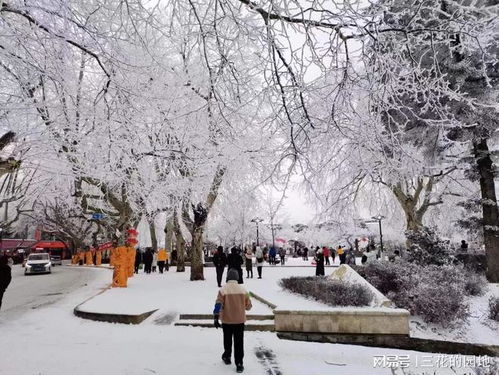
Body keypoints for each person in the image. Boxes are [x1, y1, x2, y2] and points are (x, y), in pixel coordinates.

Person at [213, 268, 252, 373]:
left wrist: (216, 317)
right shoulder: (243, 290)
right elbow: (249, 306)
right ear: (237, 278)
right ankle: (239, 363)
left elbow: (218, 304)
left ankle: (227, 356)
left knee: (227, 340)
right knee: (239, 342)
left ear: (227, 277)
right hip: (239, 321)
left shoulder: (223, 290)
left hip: (227, 320)